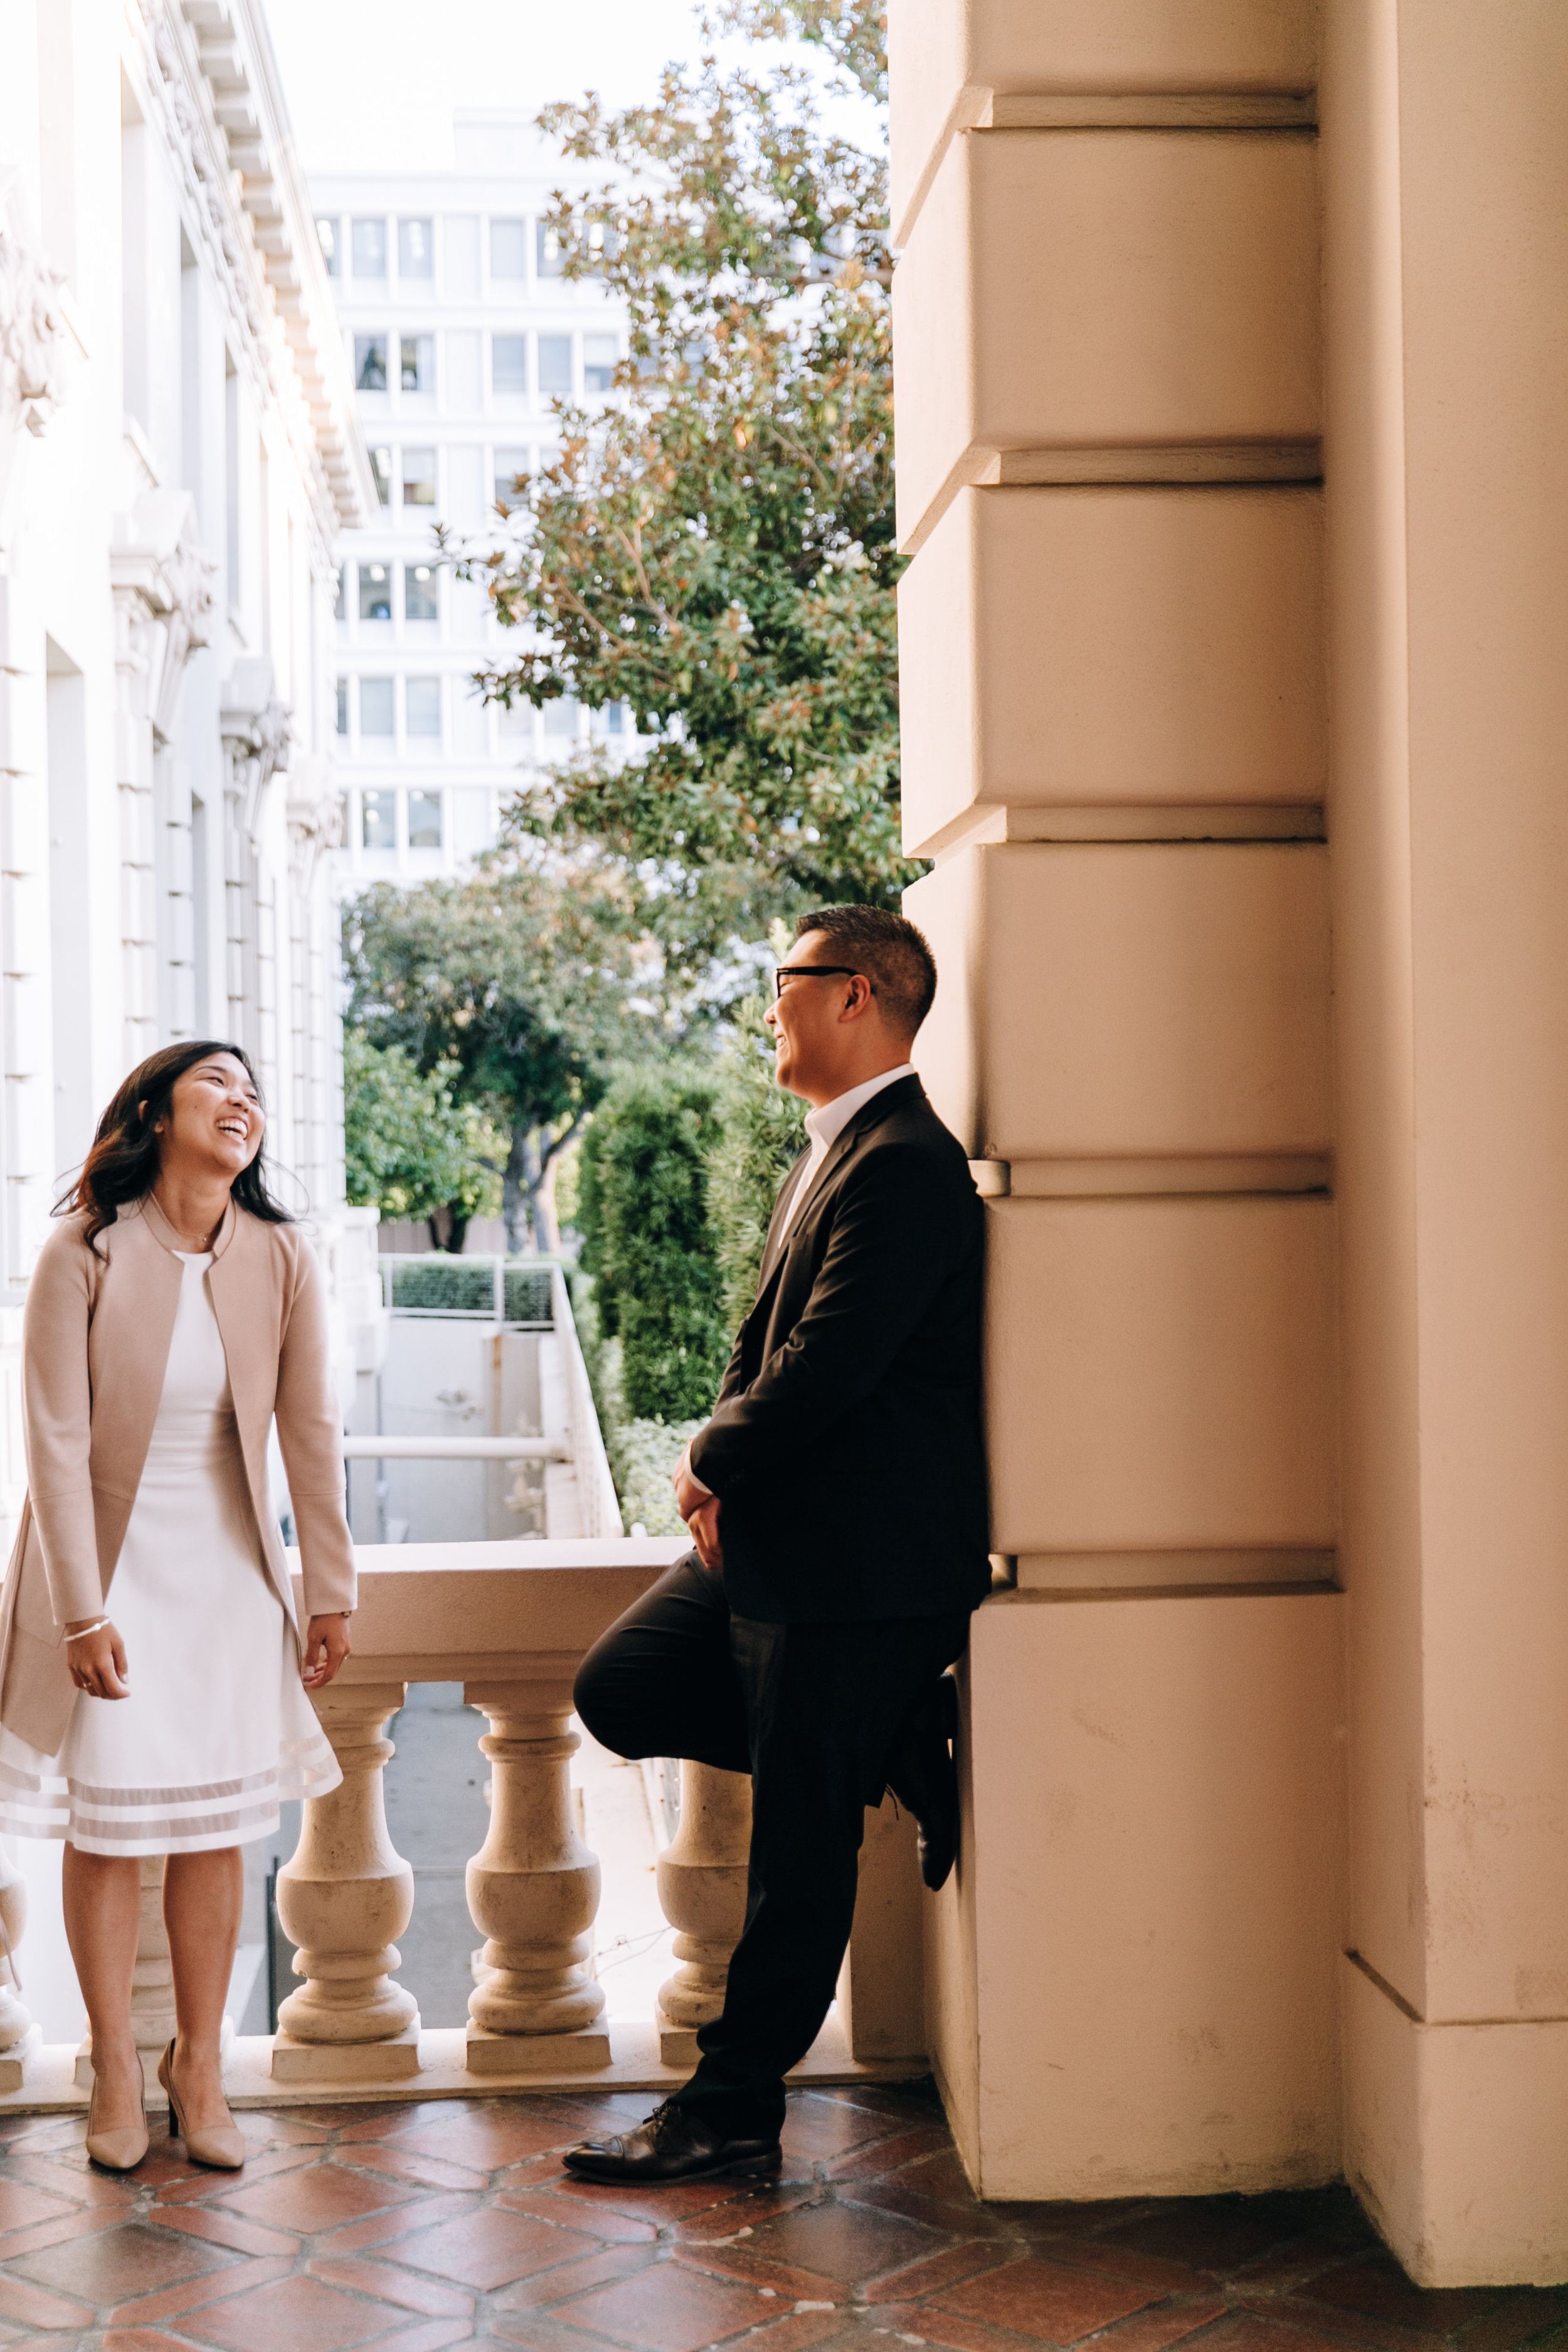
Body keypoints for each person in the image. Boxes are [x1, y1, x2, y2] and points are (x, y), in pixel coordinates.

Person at [566, 904, 990, 2186]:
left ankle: (731, 2107)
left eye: (784, 982)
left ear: (854, 995)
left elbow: (831, 1367)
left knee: (795, 1864)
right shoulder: (838, 1146)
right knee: (618, 1688)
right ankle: (897, 1738)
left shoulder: (907, 1161)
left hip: (853, 1575)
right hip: (784, 1553)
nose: (766, 1006)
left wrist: (707, 1456)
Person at [0, 1043, 354, 2173]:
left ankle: (196, 2066)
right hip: (108, 1575)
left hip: (228, 1578)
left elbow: (310, 1435)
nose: (244, 1100)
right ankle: (114, 2062)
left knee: (214, 1828)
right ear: (155, 1113)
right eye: (218, 1084)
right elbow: (53, 1445)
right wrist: (78, 1610)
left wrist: (328, 1591)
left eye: (255, 1089)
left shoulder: (283, 1255)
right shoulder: (84, 1250)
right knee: (105, 1829)